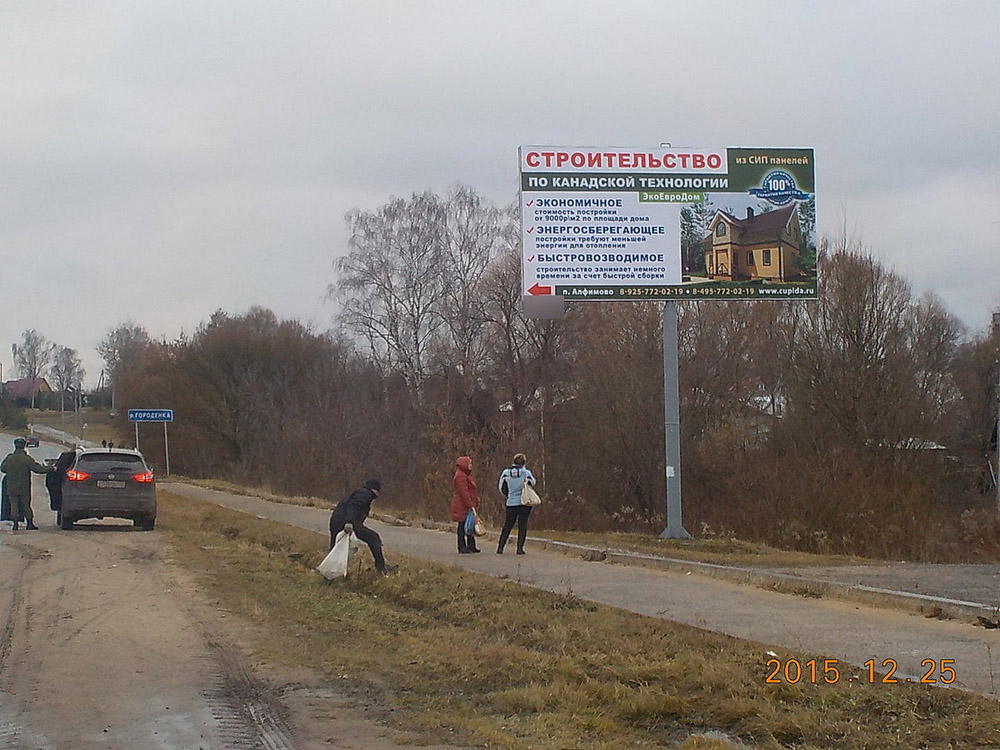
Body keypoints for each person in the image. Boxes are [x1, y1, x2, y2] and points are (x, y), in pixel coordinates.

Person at [328, 479, 395, 575]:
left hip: (337, 523)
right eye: (378, 491)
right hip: (346, 524)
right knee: (373, 538)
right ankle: (381, 568)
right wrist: (349, 522)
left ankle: (329, 575)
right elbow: (354, 506)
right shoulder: (364, 494)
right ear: (374, 490)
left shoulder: (361, 492)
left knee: (335, 548)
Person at [1, 438, 54, 531]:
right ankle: (29, 523)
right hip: (24, 487)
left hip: (11, 486)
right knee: (26, 505)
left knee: (14, 505)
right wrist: (51, 468)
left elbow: (2, 468)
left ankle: (15, 524)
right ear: (24, 446)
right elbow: (38, 469)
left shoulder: (9, 458)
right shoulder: (27, 459)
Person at [496, 453, 537, 555]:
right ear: (524, 462)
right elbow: (533, 482)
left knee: (508, 525)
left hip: (511, 503)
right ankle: (519, 548)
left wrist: (508, 496)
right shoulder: (526, 473)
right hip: (524, 502)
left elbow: (501, 487)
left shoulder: (506, 472)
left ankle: (500, 547)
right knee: (522, 525)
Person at [451, 456, 481, 553]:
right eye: (469, 464)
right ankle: (462, 546)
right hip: (462, 505)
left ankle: (471, 545)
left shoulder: (466, 475)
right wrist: (470, 504)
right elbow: (464, 492)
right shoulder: (460, 476)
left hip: (467, 504)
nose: (471, 465)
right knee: (463, 525)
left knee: (470, 524)